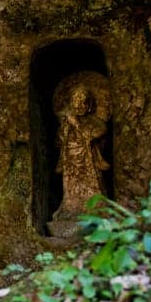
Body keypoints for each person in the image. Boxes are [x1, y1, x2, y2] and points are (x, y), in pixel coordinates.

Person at [52, 77, 109, 223]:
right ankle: (71, 210)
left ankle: (96, 211)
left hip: (88, 162)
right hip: (70, 162)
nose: (78, 105)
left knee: (92, 188)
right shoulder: (67, 123)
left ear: (89, 105)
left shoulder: (95, 123)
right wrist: (64, 129)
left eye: (82, 101)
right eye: (75, 100)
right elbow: (58, 143)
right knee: (71, 189)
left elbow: (96, 134)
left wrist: (76, 124)